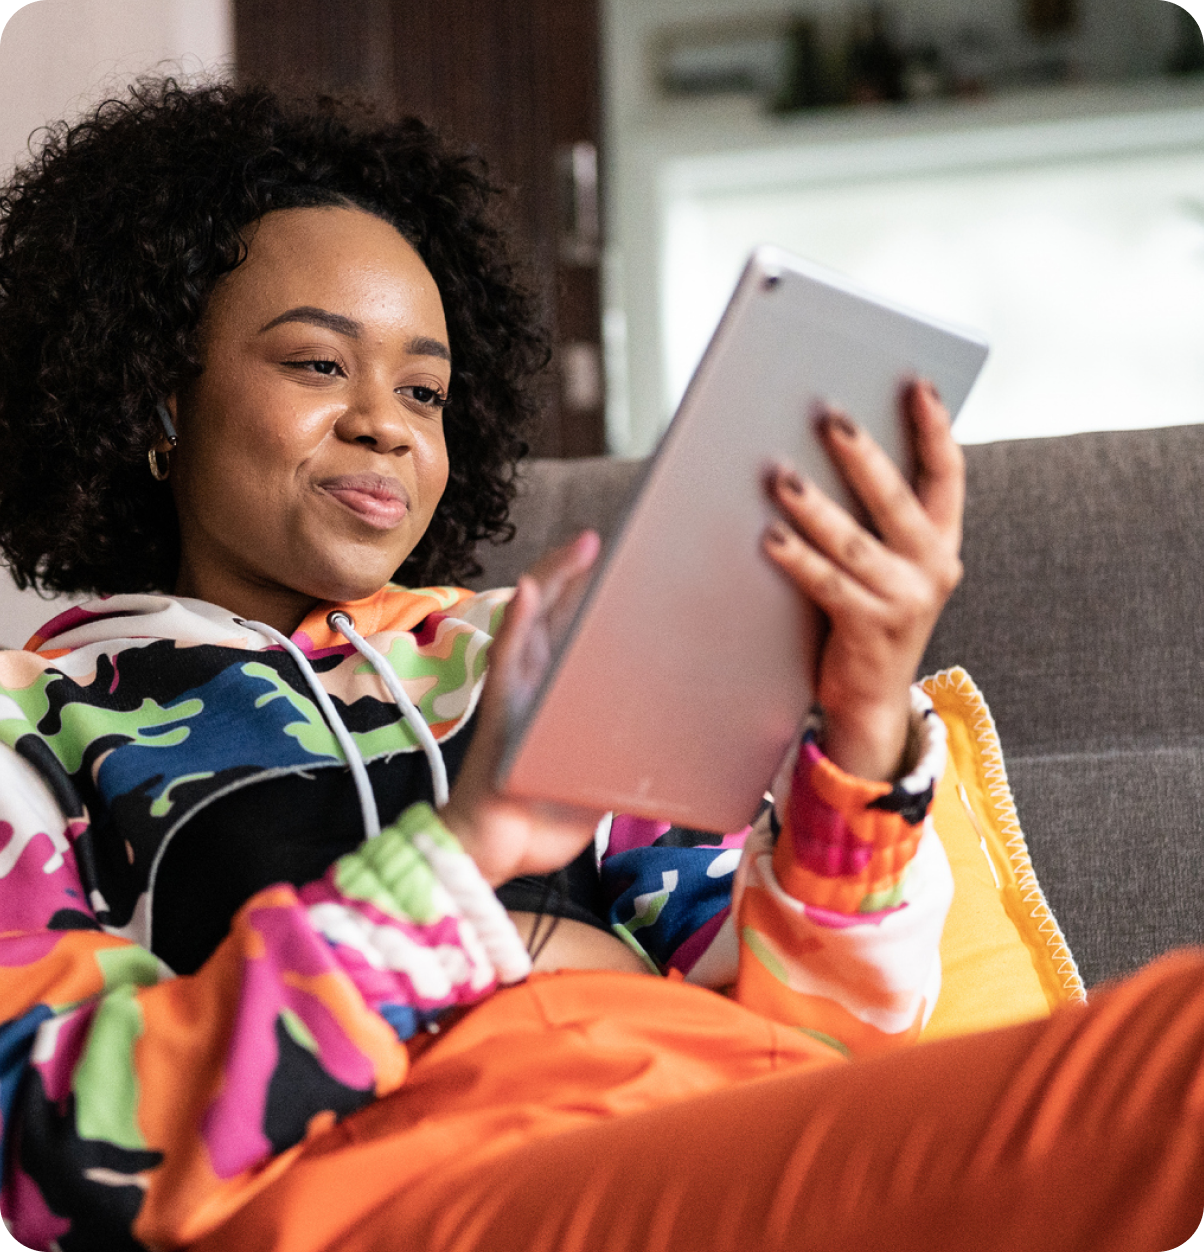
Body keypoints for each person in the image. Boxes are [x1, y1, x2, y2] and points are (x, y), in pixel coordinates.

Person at [0, 77, 1200, 1252]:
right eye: (320, 365)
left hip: (741, 1140)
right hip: (433, 1183)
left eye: (426, 388)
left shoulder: (522, 650)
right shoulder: (36, 727)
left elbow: (831, 1025)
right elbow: (58, 1150)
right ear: (158, 395)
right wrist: (470, 870)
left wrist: (865, 723)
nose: (389, 424)